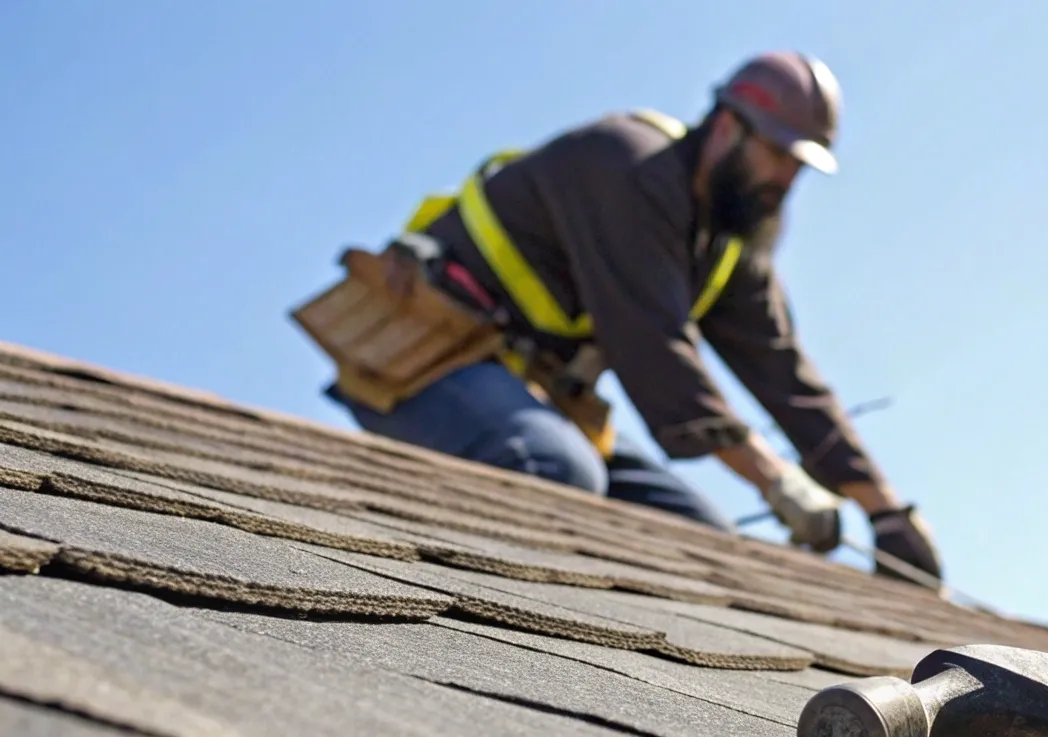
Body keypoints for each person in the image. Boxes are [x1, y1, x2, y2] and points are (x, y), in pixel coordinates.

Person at [313, 51, 941, 586]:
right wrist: (775, 481)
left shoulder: (727, 242)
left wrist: (885, 512)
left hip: (532, 393)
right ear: (728, 128)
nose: (786, 178)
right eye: (778, 154)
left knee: (701, 543)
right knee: (555, 471)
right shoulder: (628, 167)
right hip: (423, 361)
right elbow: (652, 348)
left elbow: (785, 376)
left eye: (800, 164)